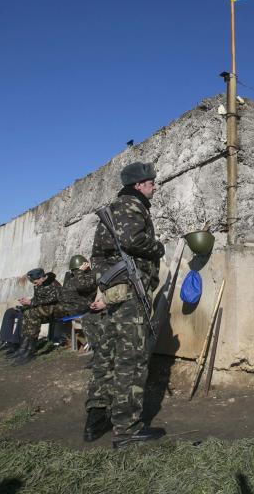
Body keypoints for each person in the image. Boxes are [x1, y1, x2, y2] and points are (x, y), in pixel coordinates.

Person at [85, 161, 166, 447]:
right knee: (131, 359)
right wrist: (159, 248)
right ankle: (127, 429)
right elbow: (134, 240)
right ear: (139, 184)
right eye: (151, 182)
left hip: (117, 293)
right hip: (131, 294)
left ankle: (97, 420)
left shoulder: (113, 210)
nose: (154, 186)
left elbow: (99, 255)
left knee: (109, 355)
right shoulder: (132, 206)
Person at [10, 268, 88, 366]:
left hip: (58, 310)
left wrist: (32, 302)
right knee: (27, 313)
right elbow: (38, 299)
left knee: (32, 313)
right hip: (46, 311)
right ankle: (24, 347)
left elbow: (53, 300)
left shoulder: (54, 284)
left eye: (35, 282)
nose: (35, 284)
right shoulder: (38, 285)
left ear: (42, 277)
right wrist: (27, 302)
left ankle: (30, 351)